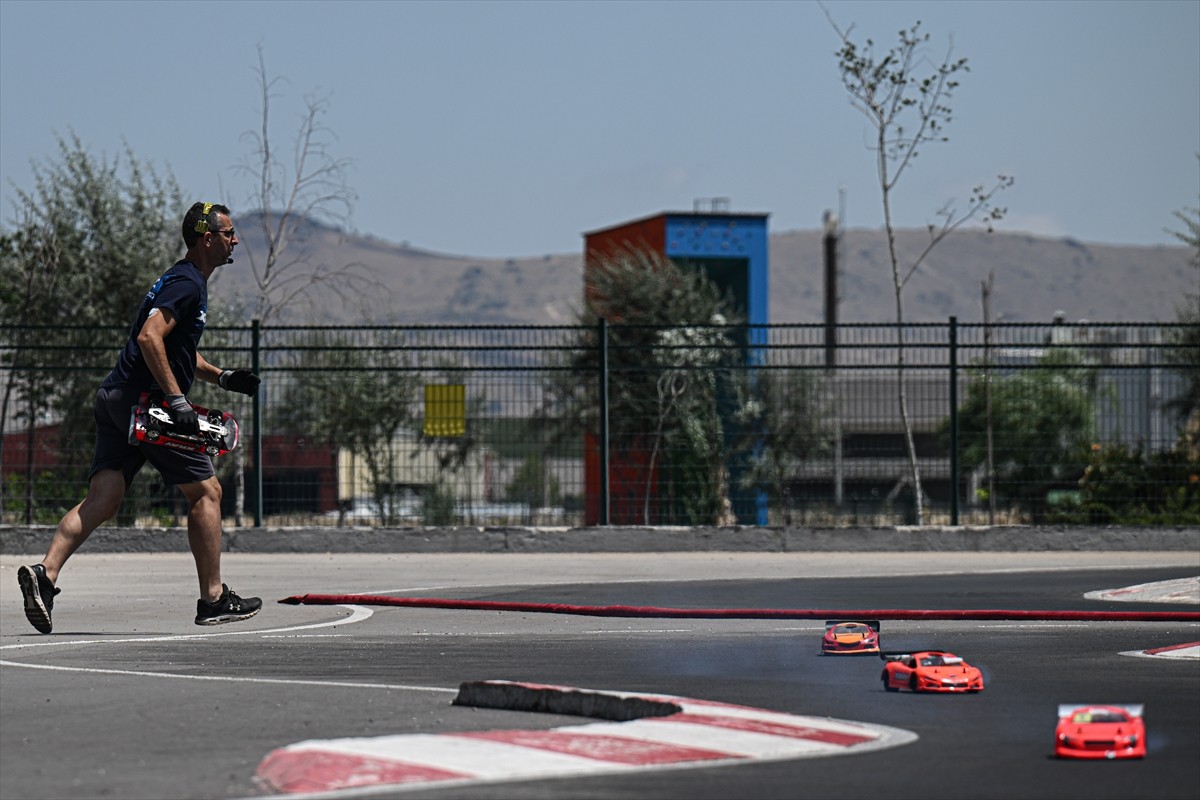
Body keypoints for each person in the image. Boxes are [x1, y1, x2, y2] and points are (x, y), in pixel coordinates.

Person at [18, 202, 263, 633]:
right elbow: (150, 337)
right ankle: (213, 599)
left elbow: (174, 347)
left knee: (104, 497)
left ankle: (45, 574)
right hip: (145, 404)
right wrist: (176, 400)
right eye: (228, 233)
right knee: (207, 492)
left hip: (116, 396)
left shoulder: (178, 277)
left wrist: (221, 377)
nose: (234, 240)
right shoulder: (188, 282)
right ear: (207, 238)